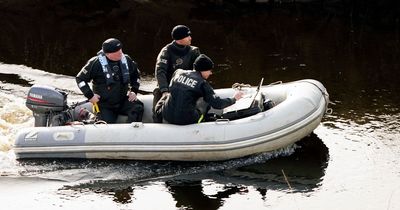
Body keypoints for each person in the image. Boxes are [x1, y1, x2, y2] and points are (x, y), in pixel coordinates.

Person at [159, 54, 243, 125]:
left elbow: (173, 88)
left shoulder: (178, 72)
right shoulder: (202, 83)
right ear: (203, 70)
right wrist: (234, 99)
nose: (211, 73)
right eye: (209, 70)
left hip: (167, 115)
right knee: (205, 102)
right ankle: (202, 121)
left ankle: (157, 117)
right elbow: (217, 104)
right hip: (185, 120)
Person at [76, 38, 143, 123]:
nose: (120, 53)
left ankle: (132, 130)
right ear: (108, 54)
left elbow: (136, 76)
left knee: (138, 107)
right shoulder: (95, 63)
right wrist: (90, 96)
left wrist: (134, 90)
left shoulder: (126, 60)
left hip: (122, 100)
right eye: (117, 51)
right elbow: (80, 79)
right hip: (104, 104)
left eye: (120, 49)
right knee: (106, 124)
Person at [153, 25, 201, 122]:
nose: (190, 38)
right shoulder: (166, 51)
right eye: (188, 36)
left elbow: (200, 72)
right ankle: (157, 123)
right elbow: (160, 72)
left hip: (185, 86)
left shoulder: (194, 51)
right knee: (157, 110)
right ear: (180, 38)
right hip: (167, 88)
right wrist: (165, 91)